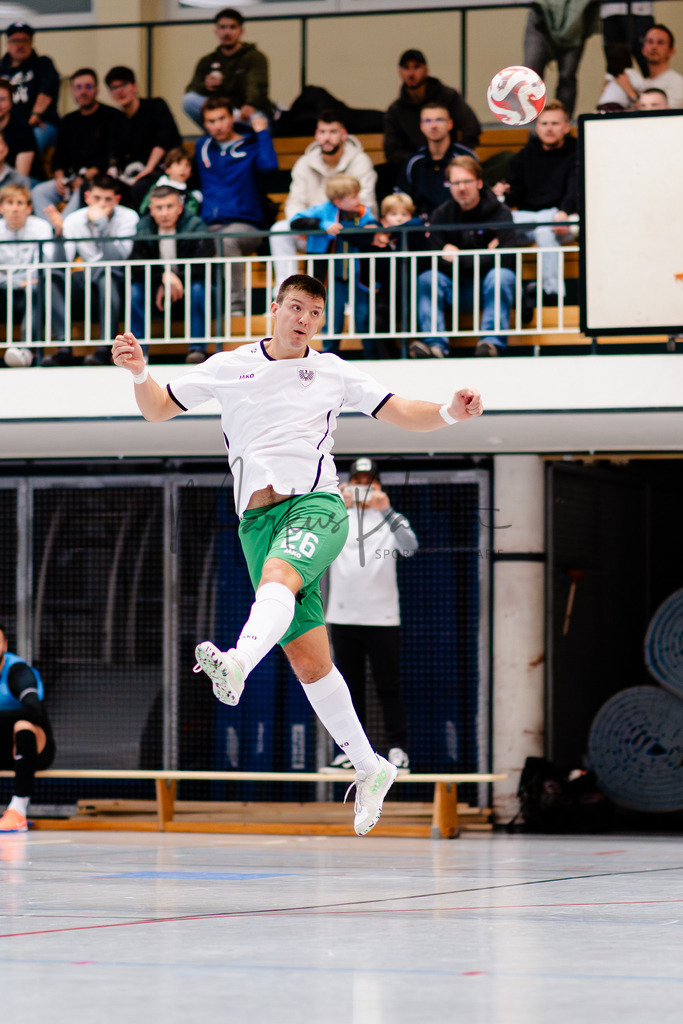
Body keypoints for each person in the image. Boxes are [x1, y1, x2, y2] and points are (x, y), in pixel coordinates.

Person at [111, 272, 483, 836]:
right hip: (255, 522)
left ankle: (237, 663)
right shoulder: (229, 364)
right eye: (294, 307)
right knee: (311, 662)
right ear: (274, 309)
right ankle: (370, 766)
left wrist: (451, 412)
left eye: (313, 311)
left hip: (316, 506)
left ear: (320, 320)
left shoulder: (332, 371)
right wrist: (140, 372)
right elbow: (158, 409)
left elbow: (401, 410)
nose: (303, 318)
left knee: (278, 581)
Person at [322, 458, 417, 773]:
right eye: (357, 482)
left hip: (383, 619)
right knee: (347, 687)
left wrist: (387, 509)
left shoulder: (391, 518)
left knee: (388, 684)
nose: (364, 488)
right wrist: (336, 501)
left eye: (369, 483)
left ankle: (398, 749)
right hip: (343, 617)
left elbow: (410, 547)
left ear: (378, 486)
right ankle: (351, 752)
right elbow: (316, 540)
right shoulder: (338, 518)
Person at [414, 156, 520, 359]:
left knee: (501, 275)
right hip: (455, 290)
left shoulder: (500, 214)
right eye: (455, 183)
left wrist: (457, 258)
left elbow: (507, 259)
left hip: (488, 289)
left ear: (479, 183)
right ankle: (435, 344)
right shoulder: (442, 215)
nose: (461, 188)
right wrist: (487, 255)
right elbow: (432, 260)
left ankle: (491, 342)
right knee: (427, 278)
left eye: (466, 182)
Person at [269, 110, 378, 292]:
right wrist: (305, 227)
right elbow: (295, 201)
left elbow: (365, 202)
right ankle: (285, 294)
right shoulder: (304, 163)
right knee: (279, 230)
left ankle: (349, 294)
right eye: (322, 132)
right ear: (316, 135)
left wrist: (338, 226)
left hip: (346, 230)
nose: (327, 138)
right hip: (314, 228)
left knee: (353, 234)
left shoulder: (360, 161)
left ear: (344, 134)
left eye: (333, 132)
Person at [43, 174, 139, 366]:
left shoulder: (129, 217)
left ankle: (105, 347)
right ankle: (64, 346)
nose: (101, 204)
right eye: (96, 198)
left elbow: (116, 259)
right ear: (87, 197)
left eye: (108, 199)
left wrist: (102, 224)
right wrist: (60, 233)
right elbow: (60, 264)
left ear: (117, 200)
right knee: (51, 278)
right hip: (86, 279)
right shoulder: (73, 219)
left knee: (106, 274)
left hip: (117, 279)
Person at [195, 95, 278, 315]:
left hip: (246, 225)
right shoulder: (202, 146)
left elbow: (270, 167)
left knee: (227, 240)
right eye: (211, 121)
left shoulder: (250, 143)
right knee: (188, 240)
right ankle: (195, 315)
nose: (217, 125)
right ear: (204, 124)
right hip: (209, 226)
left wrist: (262, 131)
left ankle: (235, 307)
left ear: (233, 117)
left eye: (222, 118)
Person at [493, 101, 578, 310]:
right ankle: (522, 291)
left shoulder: (578, 153)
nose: (549, 128)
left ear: (566, 127)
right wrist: (505, 193)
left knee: (544, 232)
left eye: (555, 123)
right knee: (509, 224)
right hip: (533, 219)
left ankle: (550, 292)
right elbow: (517, 197)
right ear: (536, 127)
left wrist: (564, 213)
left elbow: (576, 190)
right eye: (544, 123)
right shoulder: (524, 156)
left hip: (566, 219)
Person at [129, 184, 215, 363]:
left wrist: (176, 279)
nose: (164, 213)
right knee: (135, 291)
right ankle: (139, 352)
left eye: (169, 206)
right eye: (159, 208)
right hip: (156, 288)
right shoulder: (143, 227)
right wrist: (162, 278)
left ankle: (197, 349)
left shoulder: (195, 225)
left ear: (180, 207)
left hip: (190, 285)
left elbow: (202, 265)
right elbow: (136, 265)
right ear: (151, 210)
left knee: (198, 289)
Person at [289, 174, 378, 347]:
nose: (358, 199)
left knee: (364, 315)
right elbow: (295, 221)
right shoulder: (322, 210)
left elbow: (373, 226)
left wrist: (374, 229)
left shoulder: (362, 211)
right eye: (353, 196)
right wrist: (323, 225)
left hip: (358, 277)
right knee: (332, 318)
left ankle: (371, 353)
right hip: (331, 278)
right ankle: (329, 355)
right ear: (338, 201)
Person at [30, 68, 126, 226]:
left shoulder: (112, 116)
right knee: (39, 192)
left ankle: (62, 228)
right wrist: (59, 176)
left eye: (88, 87)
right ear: (73, 91)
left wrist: (89, 175)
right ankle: (48, 232)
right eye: (78, 87)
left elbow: (115, 152)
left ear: (96, 90)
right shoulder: (68, 120)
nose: (83, 92)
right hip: (70, 178)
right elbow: (59, 155)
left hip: (97, 179)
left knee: (82, 190)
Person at [383, 50, 480, 171]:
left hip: (452, 165)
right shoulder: (395, 110)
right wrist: (422, 161)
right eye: (406, 68)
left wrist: (456, 156)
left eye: (416, 67)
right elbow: (392, 151)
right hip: (417, 168)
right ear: (400, 72)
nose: (411, 73)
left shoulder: (448, 97)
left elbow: (471, 128)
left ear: (426, 70)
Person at [0, 623, 55, 832]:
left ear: (5, 644)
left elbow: (34, 711)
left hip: (33, 749)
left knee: (23, 726)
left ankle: (18, 809)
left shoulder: (17, 671)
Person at [353, 192, 422, 357]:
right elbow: (350, 233)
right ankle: (387, 359)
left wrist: (393, 232)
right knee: (377, 319)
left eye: (404, 214)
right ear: (383, 219)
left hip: (414, 294)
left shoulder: (414, 235)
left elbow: (418, 222)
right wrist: (376, 235)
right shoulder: (375, 240)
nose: (399, 218)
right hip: (387, 297)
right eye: (394, 214)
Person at [183, 7, 275, 130]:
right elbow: (191, 89)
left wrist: (250, 105)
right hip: (219, 113)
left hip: (244, 112)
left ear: (241, 30)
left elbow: (257, 86)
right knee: (189, 100)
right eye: (223, 27)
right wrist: (205, 85)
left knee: (259, 120)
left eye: (232, 27)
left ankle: (231, 126)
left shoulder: (254, 57)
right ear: (216, 31)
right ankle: (219, 128)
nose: (227, 32)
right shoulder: (207, 61)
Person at [104, 65, 182, 209]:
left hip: (161, 169)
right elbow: (113, 152)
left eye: (123, 85)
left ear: (135, 87)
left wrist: (148, 168)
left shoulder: (155, 105)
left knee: (140, 187)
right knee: (97, 187)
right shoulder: (116, 120)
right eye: (114, 88)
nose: (119, 91)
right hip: (132, 173)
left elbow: (165, 137)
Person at [0, 183, 53, 362]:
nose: (15, 208)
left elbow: (43, 262)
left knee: (35, 289)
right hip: (3, 290)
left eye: (20, 203)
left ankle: (26, 351)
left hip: (29, 290)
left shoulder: (41, 227)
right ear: (1, 207)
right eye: (10, 202)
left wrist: (26, 282)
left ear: (29, 208)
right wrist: (16, 282)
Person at [396, 101, 476, 218]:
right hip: (422, 228)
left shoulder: (466, 157)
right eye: (427, 121)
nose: (433, 125)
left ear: (450, 124)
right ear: (421, 126)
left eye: (439, 120)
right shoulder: (413, 163)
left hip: (460, 226)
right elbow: (400, 201)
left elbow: (479, 197)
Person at [523, 0, 600, 117]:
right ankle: (530, 123)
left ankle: (563, 122)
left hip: (576, 22)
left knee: (567, 76)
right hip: (541, 19)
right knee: (531, 76)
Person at [0, 22, 59, 153]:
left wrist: (35, 115)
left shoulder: (43, 64)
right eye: (15, 40)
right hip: (6, 126)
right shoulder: (1, 68)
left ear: (31, 43)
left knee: (30, 139)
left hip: (40, 125)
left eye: (24, 40)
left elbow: (47, 90)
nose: (20, 45)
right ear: (7, 44)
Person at [597, 23, 683, 109]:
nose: (654, 46)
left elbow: (667, 116)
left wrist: (630, 92)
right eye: (650, 41)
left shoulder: (677, 82)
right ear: (643, 49)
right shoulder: (642, 83)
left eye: (660, 42)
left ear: (671, 51)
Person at [139, 147, 202, 217]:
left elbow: (192, 214)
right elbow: (144, 209)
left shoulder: (192, 195)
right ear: (167, 169)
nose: (183, 168)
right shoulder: (156, 188)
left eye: (187, 165)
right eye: (178, 164)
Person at [601, 2, 654, 77]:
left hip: (640, 11)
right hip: (610, 11)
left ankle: (654, 88)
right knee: (616, 70)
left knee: (648, 65)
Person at [0, 76, 38, 180]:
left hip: (26, 182)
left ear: (11, 103)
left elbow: (21, 177)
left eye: (3, 99)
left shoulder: (22, 129)